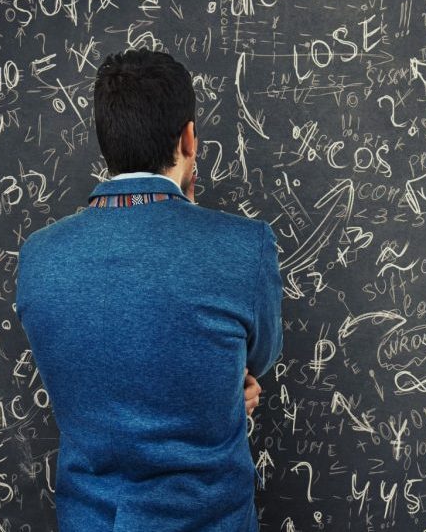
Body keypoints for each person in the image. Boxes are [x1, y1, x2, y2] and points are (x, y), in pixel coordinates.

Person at [15, 48, 283, 531]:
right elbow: (255, 360)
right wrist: (216, 388)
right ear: (188, 138)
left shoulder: (39, 256)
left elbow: (90, 375)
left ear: (106, 141)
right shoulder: (245, 246)